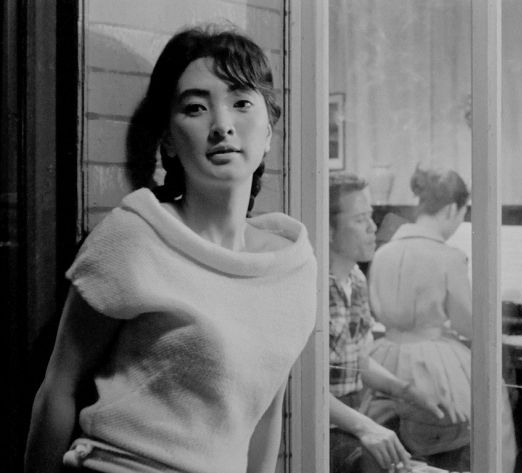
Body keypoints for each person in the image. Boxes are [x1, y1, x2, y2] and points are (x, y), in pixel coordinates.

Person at [24, 24, 317, 473]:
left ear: (270, 133)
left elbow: (261, 417)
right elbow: (58, 387)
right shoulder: (135, 234)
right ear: (168, 141)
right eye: (196, 107)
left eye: (241, 103)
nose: (222, 126)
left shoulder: (291, 266)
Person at [367, 165, 517, 473]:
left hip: (383, 356)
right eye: (462, 214)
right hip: (432, 364)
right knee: (494, 401)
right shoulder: (448, 257)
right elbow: (467, 324)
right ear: (451, 209)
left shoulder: (383, 252)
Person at [328, 171, 444, 473]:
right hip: (319, 427)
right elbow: (299, 388)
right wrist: (366, 427)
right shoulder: (314, 287)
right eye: (360, 220)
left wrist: (405, 390)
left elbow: (360, 360)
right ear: (327, 229)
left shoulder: (355, 278)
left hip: (350, 419)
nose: (373, 228)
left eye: (371, 216)